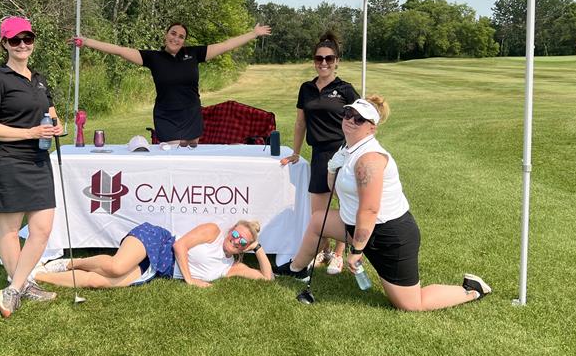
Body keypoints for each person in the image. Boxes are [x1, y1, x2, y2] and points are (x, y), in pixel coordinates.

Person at [277, 95, 492, 311]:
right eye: (348, 114)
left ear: (372, 128)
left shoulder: (368, 159)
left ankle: (472, 290)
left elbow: (370, 210)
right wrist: (332, 169)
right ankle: (296, 269)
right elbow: (339, 192)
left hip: (388, 235)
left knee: (410, 304)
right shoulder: (348, 149)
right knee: (318, 221)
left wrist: (357, 250)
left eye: (359, 119)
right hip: (357, 225)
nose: (351, 120)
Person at [0, 16, 64, 318]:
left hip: (39, 160)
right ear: (4, 44)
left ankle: (16, 287)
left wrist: (57, 127)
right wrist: (30, 133)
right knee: (11, 230)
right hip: (10, 162)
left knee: (42, 228)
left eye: (27, 39)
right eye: (15, 40)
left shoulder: (38, 79)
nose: (23, 45)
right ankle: (19, 286)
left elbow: (53, 116)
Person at [72, 22, 271, 143]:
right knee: (174, 159)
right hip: (166, 118)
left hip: (192, 116)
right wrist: (87, 41)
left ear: (184, 41)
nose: (176, 38)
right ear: (166, 35)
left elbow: (226, 45)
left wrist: (254, 33)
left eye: (181, 36)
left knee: (190, 160)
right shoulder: (153, 57)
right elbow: (119, 50)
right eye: (173, 33)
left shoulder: (193, 54)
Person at [284, 32, 359, 275]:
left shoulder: (345, 90)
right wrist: (296, 152)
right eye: (319, 58)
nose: (323, 63)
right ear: (314, 60)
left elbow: (360, 121)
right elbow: (300, 123)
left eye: (329, 58)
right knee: (319, 211)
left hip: (341, 154)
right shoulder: (306, 88)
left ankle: (338, 255)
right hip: (318, 154)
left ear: (337, 61)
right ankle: (323, 250)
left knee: (345, 205)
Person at [33, 220, 274, 289]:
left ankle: (37, 276)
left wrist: (259, 249)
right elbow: (180, 246)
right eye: (235, 234)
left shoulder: (232, 268)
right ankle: (68, 264)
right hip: (158, 241)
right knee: (116, 267)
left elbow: (268, 279)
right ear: (230, 229)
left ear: (246, 247)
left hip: (160, 269)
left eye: (243, 241)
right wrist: (190, 280)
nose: (235, 240)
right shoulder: (212, 232)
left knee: (98, 281)